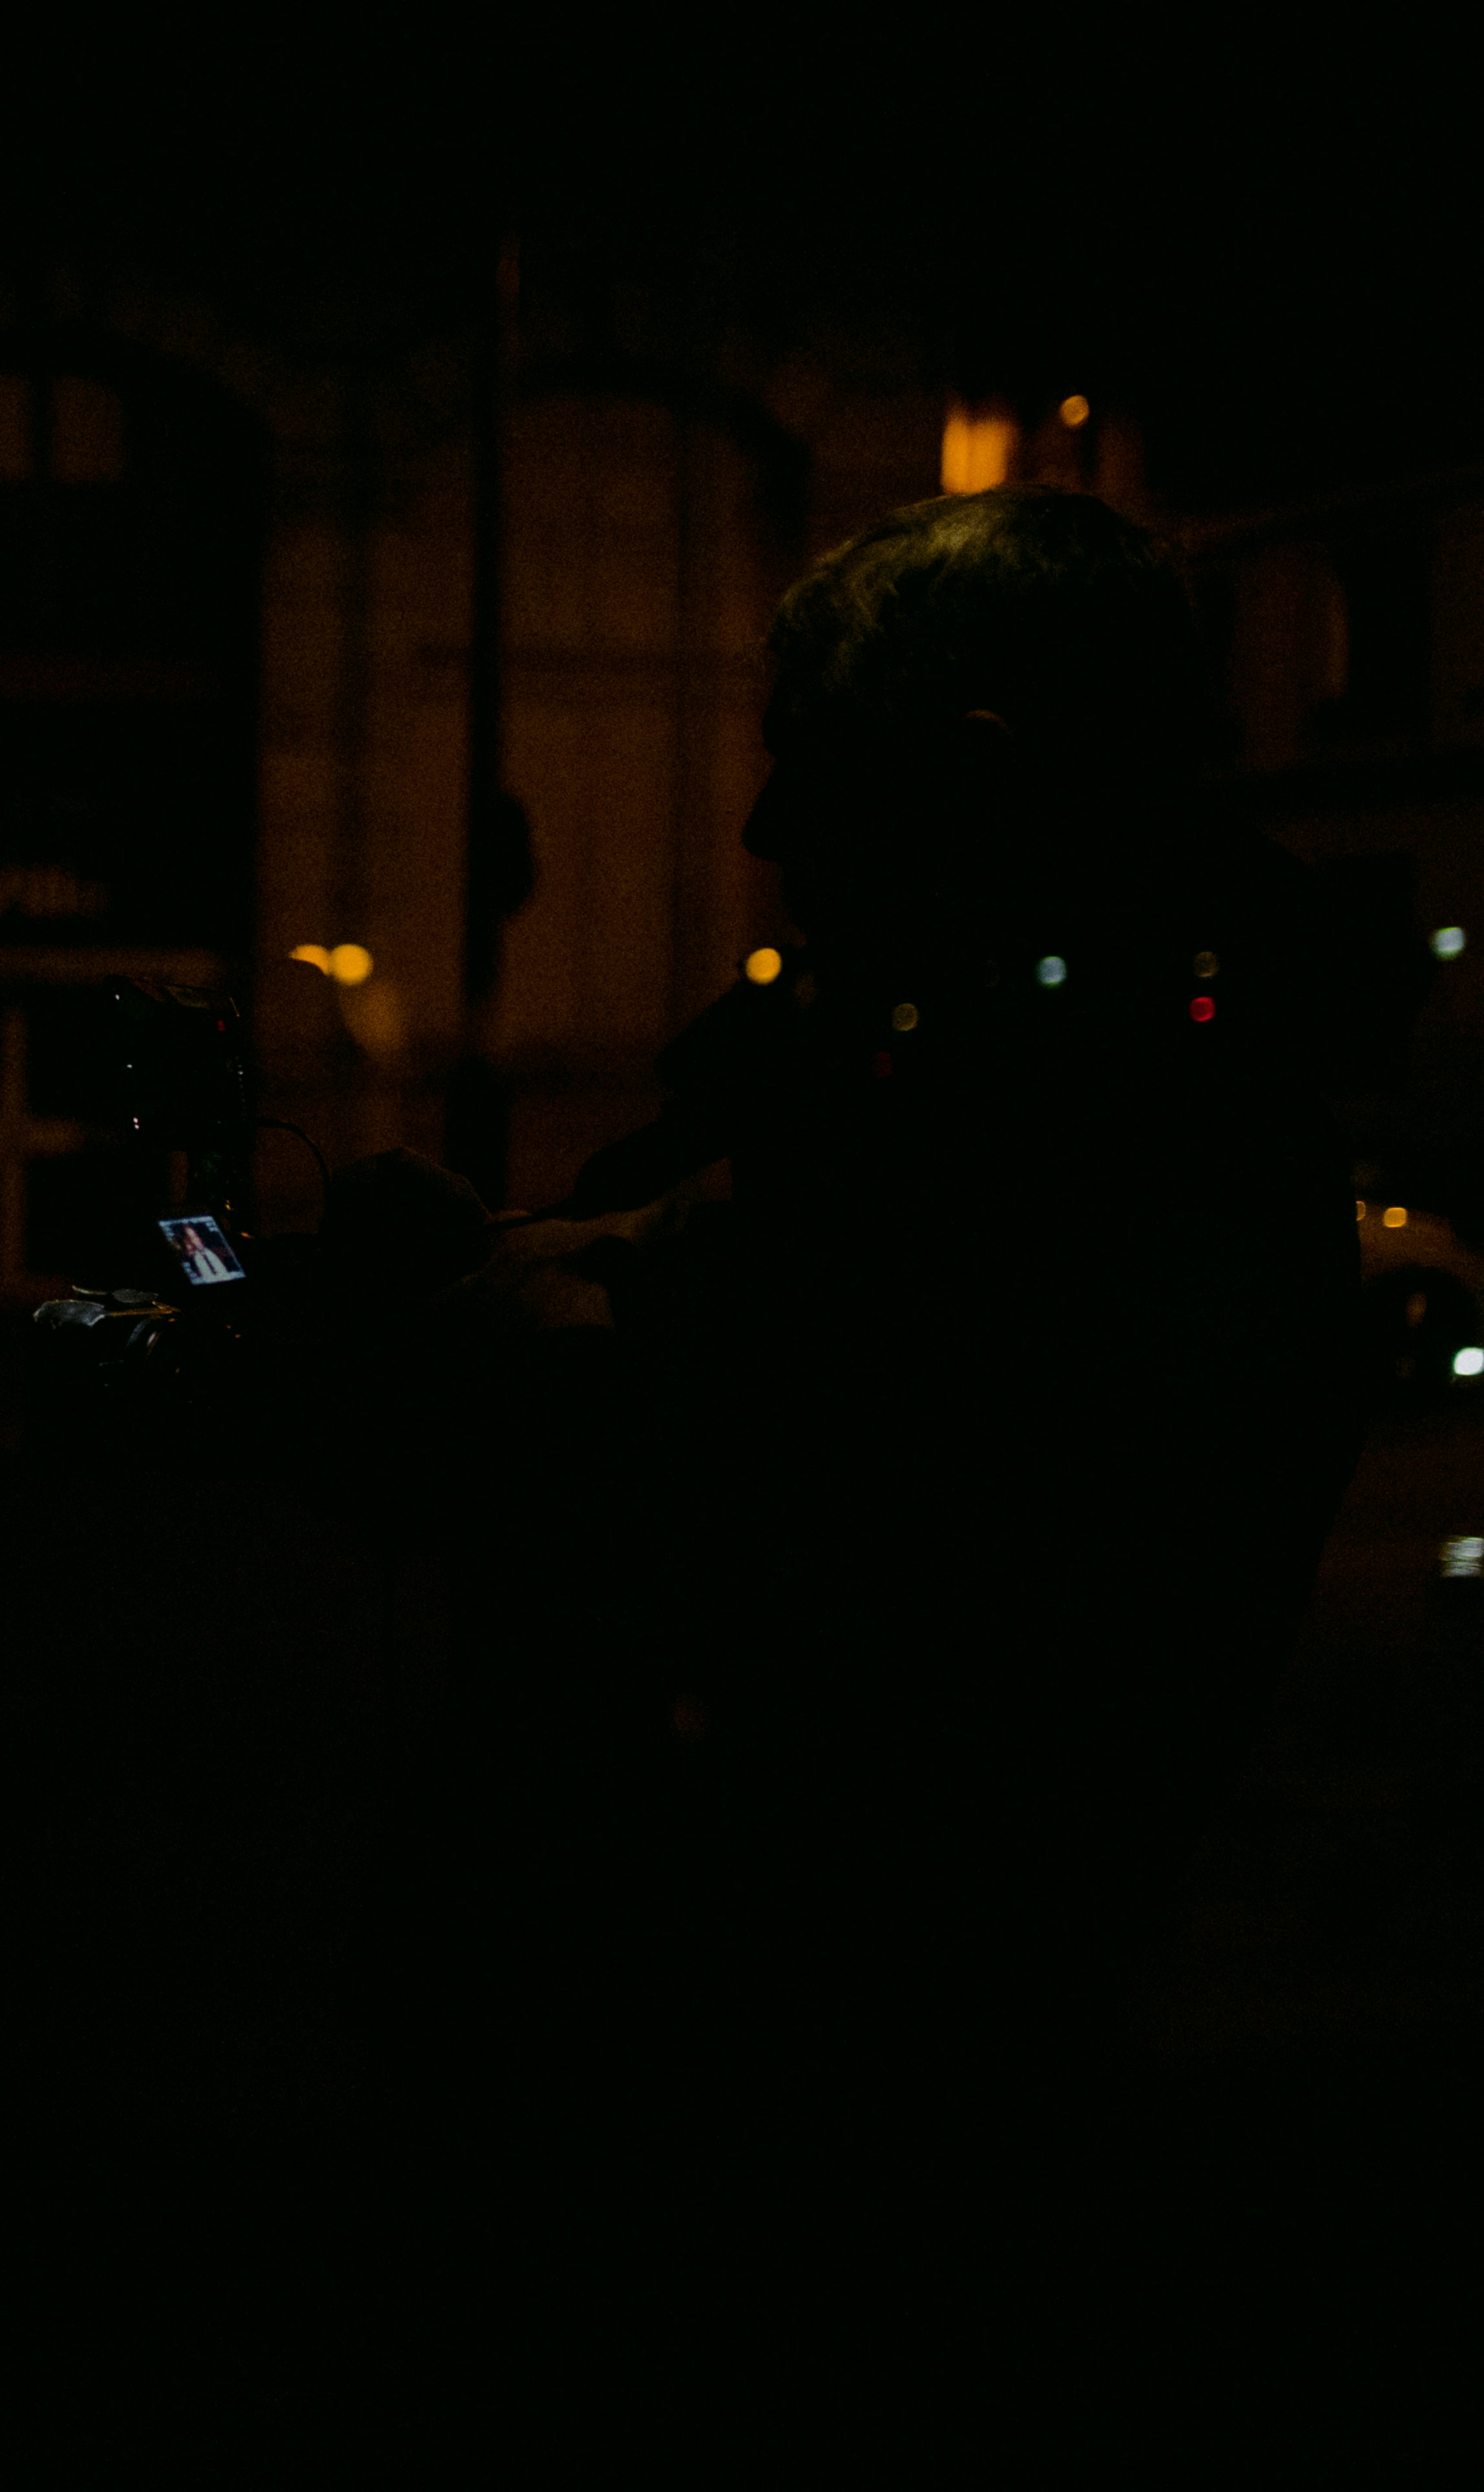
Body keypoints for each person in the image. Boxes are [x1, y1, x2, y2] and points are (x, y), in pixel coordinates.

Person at [378, 490, 1375, 2268]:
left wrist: (555, 1381)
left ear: (976, 783)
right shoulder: (1003, 1111)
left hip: (813, 2138)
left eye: (811, 767)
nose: (766, 825)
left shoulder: (1097, 1167)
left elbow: (879, 1697)